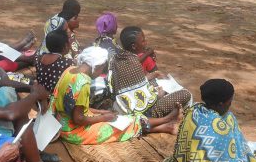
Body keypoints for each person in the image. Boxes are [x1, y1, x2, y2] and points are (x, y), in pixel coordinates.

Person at [51, 47, 180, 145]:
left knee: (122, 119)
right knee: (129, 121)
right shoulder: (84, 82)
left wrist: (100, 112)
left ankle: (166, 126)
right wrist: (103, 118)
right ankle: (166, 120)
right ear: (97, 66)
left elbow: (73, 107)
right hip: (74, 131)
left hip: (63, 122)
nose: (102, 71)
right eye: (102, 68)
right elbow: (78, 118)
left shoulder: (69, 71)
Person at [110, 26, 191, 118]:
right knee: (185, 94)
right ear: (134, 46)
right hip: (143, 111)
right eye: (143, 41)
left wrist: (154, 75)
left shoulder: (116, 58)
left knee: (153, 81)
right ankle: (161, 117)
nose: (146, 43)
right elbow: (142, 98)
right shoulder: (134, 63)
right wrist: (158, 95)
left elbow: (134, 83)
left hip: (123, 104)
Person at [35, 28, 73, 93]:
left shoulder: (38, 58)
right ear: (66, 46)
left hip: (41, 95)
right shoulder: (67, 63)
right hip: (55, 99)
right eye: (69, 42)